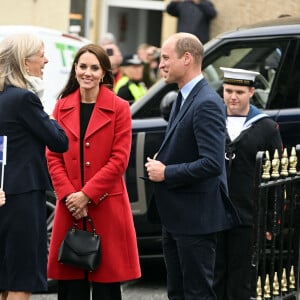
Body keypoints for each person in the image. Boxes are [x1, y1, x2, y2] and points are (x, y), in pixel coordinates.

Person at [145, 32, 240, 300]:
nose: (160, 64)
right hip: (176, 217)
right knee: (177, 293)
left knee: (197, 294)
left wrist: (167, 172)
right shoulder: (183, 97)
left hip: (196, 220)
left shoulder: (207, 102)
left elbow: (211, 163)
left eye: (166, 58)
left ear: (187, 58)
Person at [46, 43, 141, 300]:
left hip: (106, 208)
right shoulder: (61, 106)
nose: (87, 72)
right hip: (70, 209)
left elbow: (119, 160)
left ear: (103, 73)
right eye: (83, 66)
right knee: (71, 289)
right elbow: (53, 156)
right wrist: (69, 195)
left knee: (106, 289)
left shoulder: (120, 107)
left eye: (94, 67)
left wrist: (86, 195)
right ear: (75, 68)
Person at [0, 33, 69, 300]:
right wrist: (44, 107)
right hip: (23, 196)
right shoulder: (24, 99)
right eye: (41, 54)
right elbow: (59, 141)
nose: (46, 60)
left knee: (6, 275)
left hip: (6, 192)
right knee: (22, 276)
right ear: (25, 61)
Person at [213, 67, 283, 300]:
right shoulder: (213, 120)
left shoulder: (266, 127)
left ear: (252, 92)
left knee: (241, 280)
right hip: (213, 213)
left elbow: (277, 177)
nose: (233, 96)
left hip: (247, 216)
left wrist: (271, 221)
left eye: (240, 92)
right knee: (215, 276)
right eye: (228, 90)